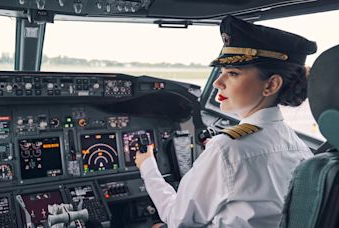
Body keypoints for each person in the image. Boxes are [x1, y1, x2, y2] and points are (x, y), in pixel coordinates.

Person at [135, 15, 316, 228]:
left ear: (271, 85)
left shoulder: (227, 149)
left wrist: (147, 167)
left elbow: (177, 219)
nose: (218, 83)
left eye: (232, 73)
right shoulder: (301, 149)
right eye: (221, 73)